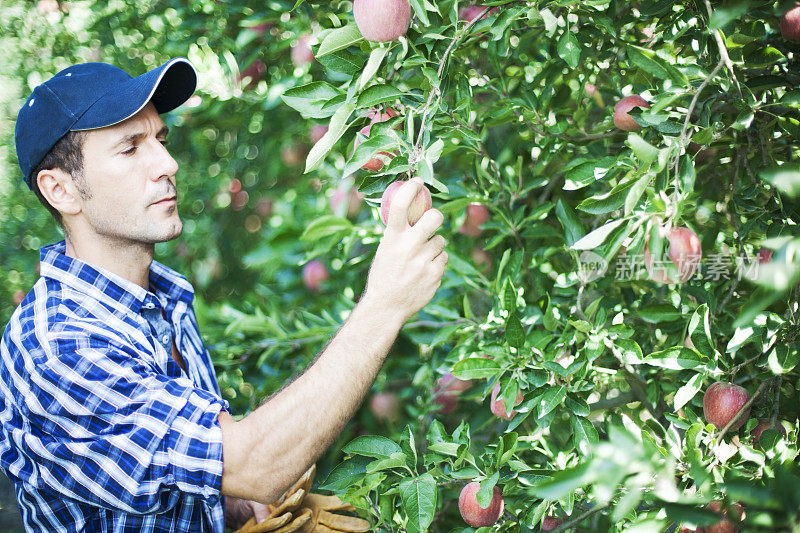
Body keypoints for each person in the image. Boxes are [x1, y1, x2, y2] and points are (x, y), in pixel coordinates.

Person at [0, 57, 448, 532]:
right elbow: (252, 465)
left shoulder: (160, 300)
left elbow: (167, 468)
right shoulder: (61, 346)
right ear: (62, 190)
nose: (168, 164)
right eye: (131, 149)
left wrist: (228, 510)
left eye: (161, 139)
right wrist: (384, 304)